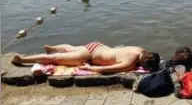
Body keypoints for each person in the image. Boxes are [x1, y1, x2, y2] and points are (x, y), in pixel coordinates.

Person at [11, 42, 161, 74]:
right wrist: (90, 68)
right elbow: (107, 69)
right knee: (55, 59)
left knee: (70, 49)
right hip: (90, 56)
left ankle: (53, 47)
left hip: (97, 46)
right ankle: (22, 60)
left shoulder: (140, 48)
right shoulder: (130, 62)